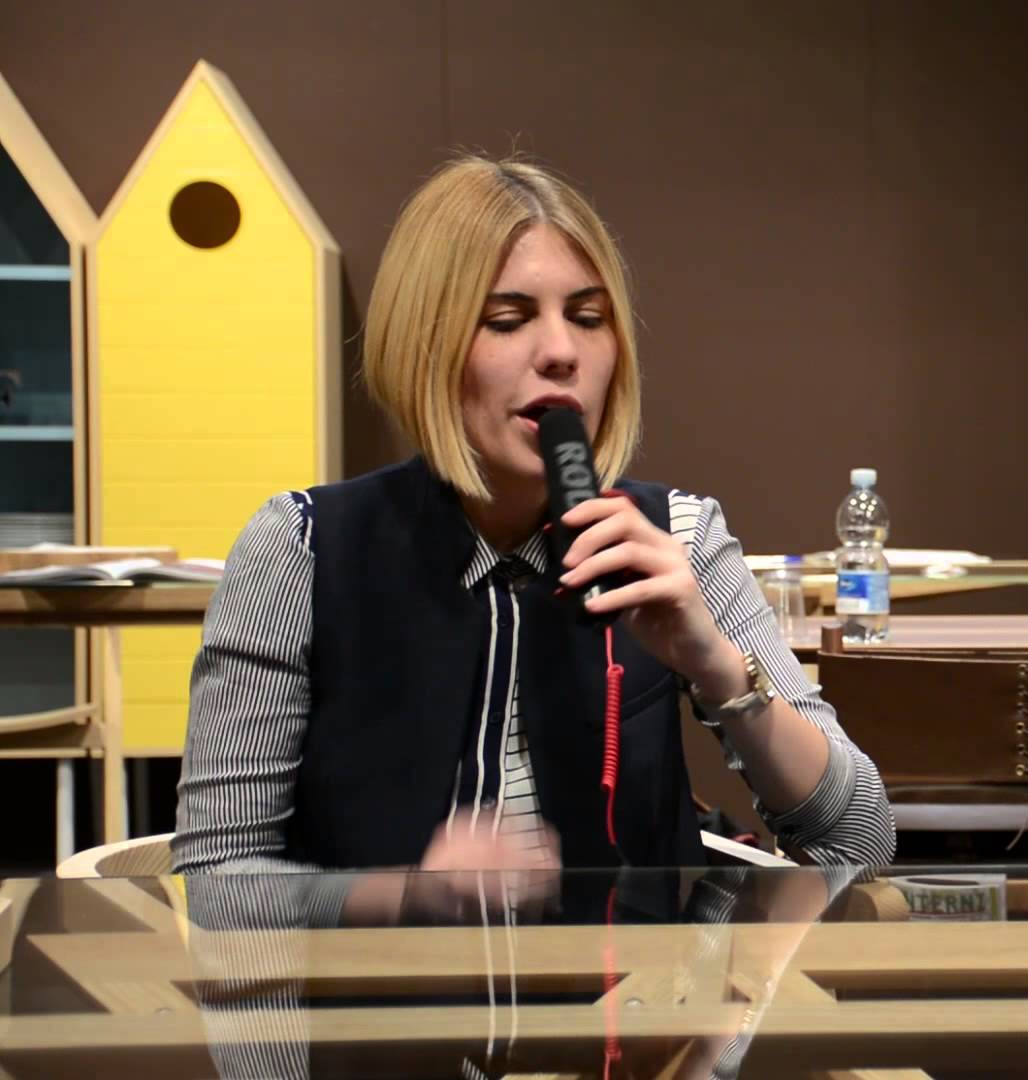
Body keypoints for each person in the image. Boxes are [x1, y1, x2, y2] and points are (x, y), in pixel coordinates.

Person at [173, 155, 895, 919]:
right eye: (508, 320)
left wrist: (716, 664)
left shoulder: (680, 536)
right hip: (380, 992)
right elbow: (213, 886)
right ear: (423, 348)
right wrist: (406, 896)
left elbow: (860, 840)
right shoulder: (301, 549)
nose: (561, 352)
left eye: (588, 317)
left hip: (630, 995)